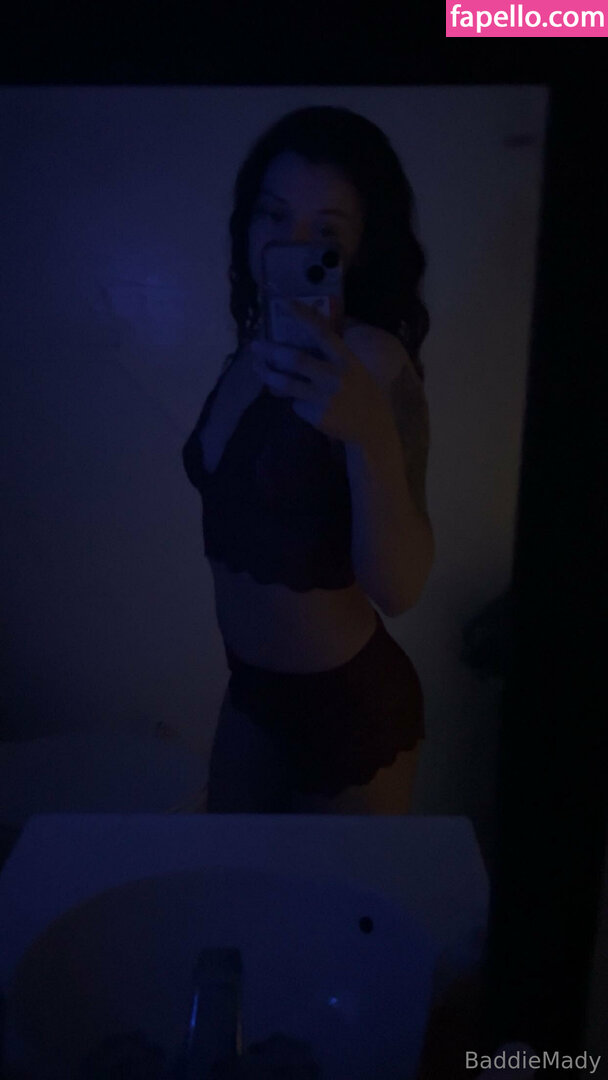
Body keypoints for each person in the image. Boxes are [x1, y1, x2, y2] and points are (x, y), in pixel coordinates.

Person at [182, 105, 434, 813]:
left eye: (325, 232)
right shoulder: (252, 348)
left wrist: (369, 434)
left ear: (359, 249)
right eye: (273, 215)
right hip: (250, 693)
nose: (290, 245)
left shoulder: (372, 361)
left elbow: (401, 587)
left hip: (350, 712)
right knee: (225, 874)